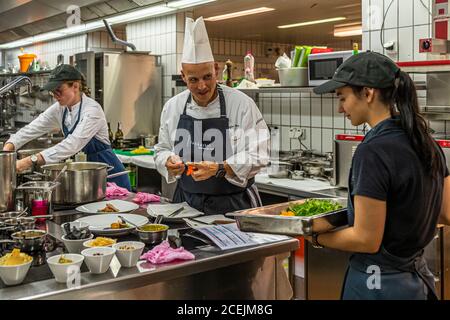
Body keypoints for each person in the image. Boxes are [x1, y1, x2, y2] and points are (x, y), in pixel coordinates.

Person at [307, 51, 450, 300]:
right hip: (416, 283)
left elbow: (365, 239)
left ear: (368, 93)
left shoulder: (372, 151)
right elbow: (446, 213)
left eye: (342, 97)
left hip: (377, 285)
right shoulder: (427, 142)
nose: (341, 108)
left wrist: (316, 237)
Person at [154, 17, 270, 215]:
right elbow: (161, 149)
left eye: (207, 77)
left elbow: (260, 155)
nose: (202, 86)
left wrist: (220, 168)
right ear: (183, 76)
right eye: (193, 79)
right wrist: (167, 161)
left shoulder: (241, 104)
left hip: (234, 203)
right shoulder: (173, 107)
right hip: (185, 202)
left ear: (216, 69)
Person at [3, 64, 131, 190]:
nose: (55, 95)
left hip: (111, 179)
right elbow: (32, 128)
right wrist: (8, 148)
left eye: (59, 90)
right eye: (53, 91)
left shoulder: (92, 110)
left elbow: (72, 144)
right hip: (88, 179)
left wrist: (29, 161)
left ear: (75, 86)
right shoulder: (60, 108)